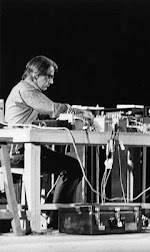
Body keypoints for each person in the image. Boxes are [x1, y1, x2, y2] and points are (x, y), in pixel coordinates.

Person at [4, 55, 94, 228]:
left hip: (23, 149)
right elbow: (53, 109)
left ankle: (50, 212)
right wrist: (80, 112)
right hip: (19, 153)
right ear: (36, 75)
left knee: (70, 167)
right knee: (73, 168)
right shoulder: (26, 90)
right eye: (49, 76)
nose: (51, 82)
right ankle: (56, 218)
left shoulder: (25, 90)